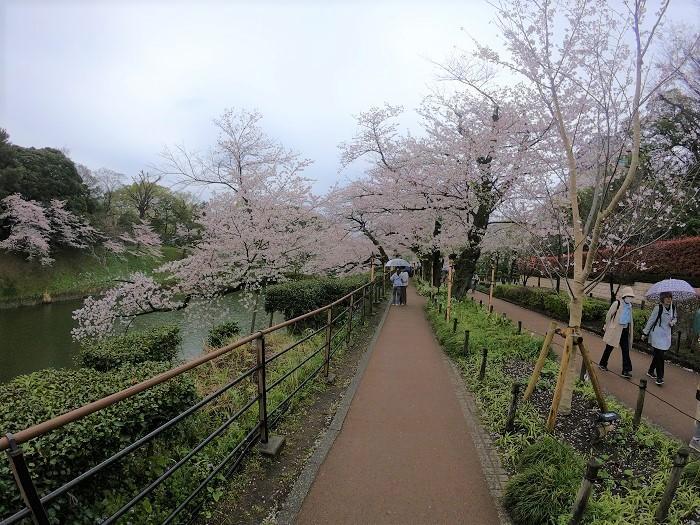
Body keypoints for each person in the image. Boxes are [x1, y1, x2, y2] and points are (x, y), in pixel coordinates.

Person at [641, 291, 677, 386]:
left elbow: (675, 318)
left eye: (670, 298)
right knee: (660, 355)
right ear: (662, 299)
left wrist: (673, 322)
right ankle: (660, 377)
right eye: (667, 298)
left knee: (658, 355)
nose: (669, 299)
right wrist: (645, 332)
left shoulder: (673, 307)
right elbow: (651, 321)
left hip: (666, 336)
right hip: (657, 334)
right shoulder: (658, 308)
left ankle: (650, 371)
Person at [599, 286, 635, 378]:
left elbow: (630, 319)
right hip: (615, 330)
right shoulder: (617, 303)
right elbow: (608, 316)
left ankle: (626, 370)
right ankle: (602, 363)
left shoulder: (630, 306)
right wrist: (607, 326)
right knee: (609, 347)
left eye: (631, 296)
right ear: (624, 296)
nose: (630, 298)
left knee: (625, 350)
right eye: (628, 296)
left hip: (625, 330)